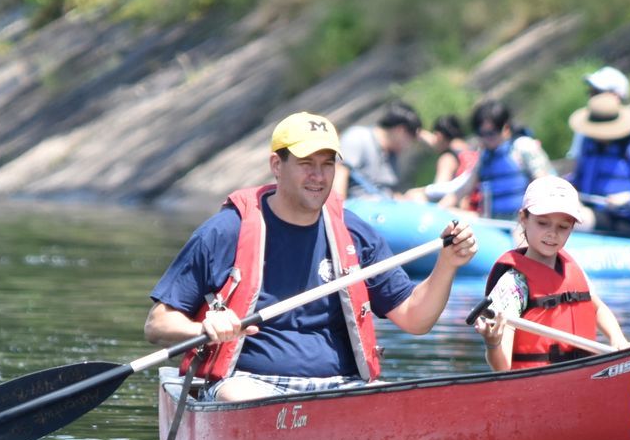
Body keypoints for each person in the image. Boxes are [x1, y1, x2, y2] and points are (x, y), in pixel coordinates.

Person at [146, 111, 480, 402]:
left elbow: (415, 319)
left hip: (339, 387)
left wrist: (447, 265)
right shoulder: (226, 230)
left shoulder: (354, 233)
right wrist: (205, 325)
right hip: (250, 385)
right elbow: (158, 323)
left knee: (399, 400)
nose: (319, 177)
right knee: (241, 396)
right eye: (307, 164)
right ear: (277, 165)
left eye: (327, 164)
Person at [474, 177, 630, 372]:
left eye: (563, 227)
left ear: (572, 227)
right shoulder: (512, 285)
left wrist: (618, 338)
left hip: (582, 378)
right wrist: (493, 343)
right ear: (523, 219)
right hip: (535, 386)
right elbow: (502, 368)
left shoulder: (572, 269)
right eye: (543, 223)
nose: (552, 234)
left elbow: (597, 308)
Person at [566, 68, 630, 237]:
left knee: (577, 218)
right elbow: (577, 178)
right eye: (592, 93)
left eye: (597, 92)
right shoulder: (588, 144)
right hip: (593, 213)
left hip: (621, 220)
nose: (593, 96)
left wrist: (628, 198)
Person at [458, 99, 551, 219]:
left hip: (523, 223)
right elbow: (464, 188)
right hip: (495, 225)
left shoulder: (522, 147)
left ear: (506, 129)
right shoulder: (484, 157)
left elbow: (545, 184)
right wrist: (440, 206)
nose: (486, 139)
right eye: (482, 134)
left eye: (491, 133)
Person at [333, 101, 423, 200]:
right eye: (410, 139)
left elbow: (385, 191)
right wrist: (338, 212)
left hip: (381, 208)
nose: (408, 146)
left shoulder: (391, 153)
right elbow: (339, 175)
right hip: (356, 209)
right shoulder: (358, 137)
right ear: (400, 131)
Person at [416, 113, 479, 208]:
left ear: (439, 136)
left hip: (461, 211)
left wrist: (420, 192)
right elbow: (432, 141)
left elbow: (438, 192)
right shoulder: (471, 149)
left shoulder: (447, 158)